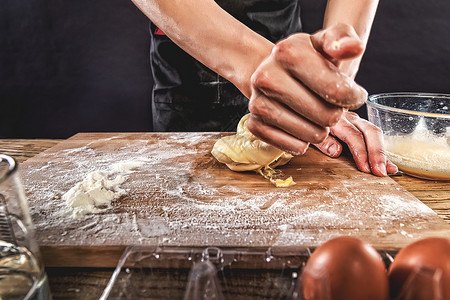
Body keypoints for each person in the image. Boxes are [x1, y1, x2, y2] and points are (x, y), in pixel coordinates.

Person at [130, 0, 398, 176]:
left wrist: (326, 84)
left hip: (290, 47)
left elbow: (346, 31)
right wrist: (265, 68)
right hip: (192, 68)